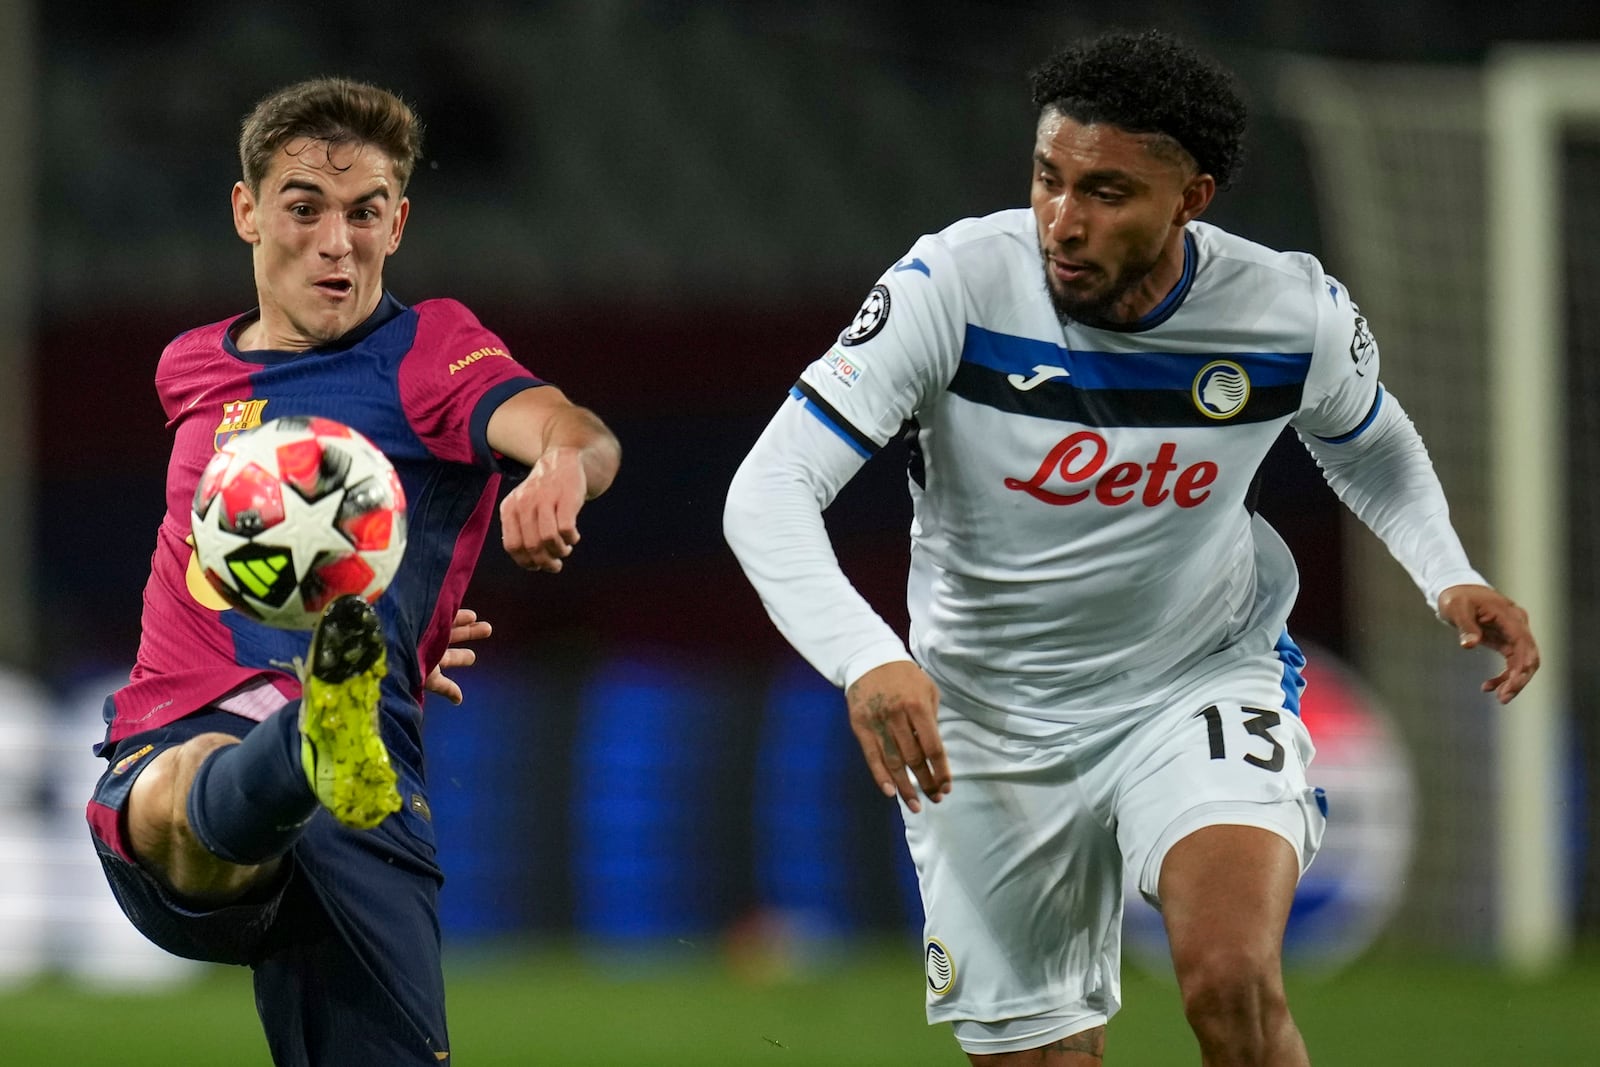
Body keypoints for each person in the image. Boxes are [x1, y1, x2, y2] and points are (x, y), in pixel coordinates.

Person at [724, 29, 1537, 1067]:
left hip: (1192, 681)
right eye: (1047, 178)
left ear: (1189, 198)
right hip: (986, 714)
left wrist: (1448, 571)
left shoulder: (1287, 313)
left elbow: (1368, 439)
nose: (1062, 220)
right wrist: (868, 655)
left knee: (1230, 977)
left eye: (1106, 192)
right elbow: (769, 488)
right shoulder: (954, 286)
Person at [86, 77, 620, 1065]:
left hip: (364, 794)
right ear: (247, 211)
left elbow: (572, 429)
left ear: (399, 221)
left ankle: (324, 731)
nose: (338, 241)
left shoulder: (427, 354)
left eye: (366, 212)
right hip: (186, 727)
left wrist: (560, 469)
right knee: (174, 795)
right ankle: (305, 738)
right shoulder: (191, 365)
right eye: (305, 207)